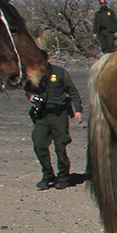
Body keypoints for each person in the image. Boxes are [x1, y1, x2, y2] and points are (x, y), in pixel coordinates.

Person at [26, 60, 83, 190]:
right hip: (42, 116)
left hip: (59, 115)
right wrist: (30, 96)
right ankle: (47, 175)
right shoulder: (34, 74)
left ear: (46, 59)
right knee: (39, 143)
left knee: (60, 147)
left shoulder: (59, 72)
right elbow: (27, 88)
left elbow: (72, 91)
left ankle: (63, 176)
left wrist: (78, 110)